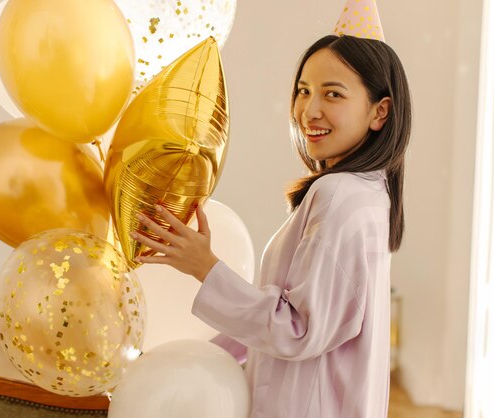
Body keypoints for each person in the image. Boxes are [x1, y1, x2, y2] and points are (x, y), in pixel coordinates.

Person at [129, 1, 412, 416]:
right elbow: (291, 320)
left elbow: (298, 330)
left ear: (379, 111)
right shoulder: (370, 193)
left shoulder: (340, 196)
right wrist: (200, 353)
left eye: (332, 93)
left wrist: (204, 267)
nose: (308, 111)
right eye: (303, 91)